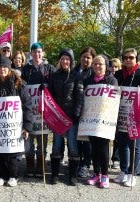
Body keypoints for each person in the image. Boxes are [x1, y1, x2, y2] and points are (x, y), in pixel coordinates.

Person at [0, 56, 32, 187]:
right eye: (0, 67)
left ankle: (13, 176)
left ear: (10, 69)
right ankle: (1, 175)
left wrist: (27, 126)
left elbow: (27, 106)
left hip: (13, 126)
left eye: (5, 67)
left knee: (12, 154)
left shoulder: (19, 84)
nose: (2, 69)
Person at [113, 48, 140, 187]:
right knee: (122, 145)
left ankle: (132, 174)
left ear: (137, 59)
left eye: (131, 57)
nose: (128, 60)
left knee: (134, 146)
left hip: (135, 117)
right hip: (120, 116)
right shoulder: (118, 74)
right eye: (126, 57)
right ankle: (124, 171)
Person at [48, 48, 84, 186]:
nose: (64, 61)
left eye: (67, 59)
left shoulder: (76, 76)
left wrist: (76, 114)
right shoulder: (54, 76)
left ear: (71, 61)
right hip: (57, 118)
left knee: (73, 146)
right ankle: (55, 175)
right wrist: (43, 89)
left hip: (71, 117)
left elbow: (79, 97)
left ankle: (72, 176)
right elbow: (50, 95)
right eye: (62, 59)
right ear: (59, 60)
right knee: (56, 146)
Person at [21, 42, 55, 177]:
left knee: (42, 142)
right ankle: (29, 167)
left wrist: (47, 88)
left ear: (43, 53)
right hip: (29, 110)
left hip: (43, 112)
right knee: (28, 143)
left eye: (39, 51)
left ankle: (40, 167)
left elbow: (54, 87)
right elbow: (21, 87)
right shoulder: (26, 69)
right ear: (31, 54)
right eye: (34, 52)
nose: (37, 54)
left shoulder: (49, 68)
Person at [84, 55, 118, 189]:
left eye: (101, 64)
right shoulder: (88, 80)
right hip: (91, 119)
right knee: (93, 147)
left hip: (105, 120)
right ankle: (96, 173)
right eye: (95, 64)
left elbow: (114, 100)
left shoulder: (112, 80)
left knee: (103, 147)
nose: (98, 66)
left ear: (106, 66)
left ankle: (105, 175)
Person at [74, 47, 97, 179]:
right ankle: (76, 161)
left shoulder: (94, 73)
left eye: (88, 57)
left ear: (92, 59)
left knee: (87, 141)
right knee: (76, 139)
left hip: (89, 111)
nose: (86, 59)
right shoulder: (74, 71)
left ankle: (85, 164)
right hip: (76, 110)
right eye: (84, 56)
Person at [109, 58, 122, 169]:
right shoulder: (107, 78)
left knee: (117, 136)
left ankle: (116, 158)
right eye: (112, 66)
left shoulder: (121, 78)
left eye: (116, 66)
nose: (114, 68)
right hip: (108, 109)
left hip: (119, 109)